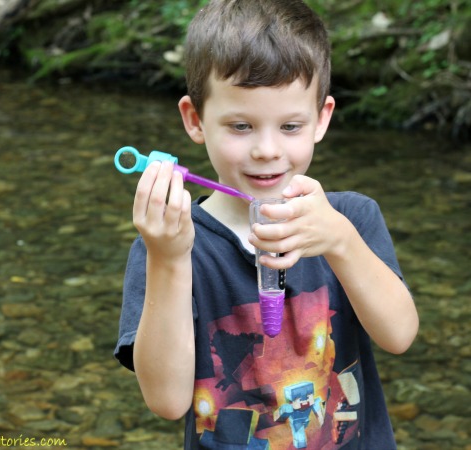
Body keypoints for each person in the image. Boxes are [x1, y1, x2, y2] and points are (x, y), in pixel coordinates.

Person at [114, 0, 419, 448]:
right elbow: (165, 400)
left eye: (291, 126)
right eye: (241, 126)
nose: (267, 149)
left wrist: (340, 242)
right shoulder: (169, 245)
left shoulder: (351, 218)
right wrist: (169, 260)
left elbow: (400, 335)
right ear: (195, 120)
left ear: (322, 119)